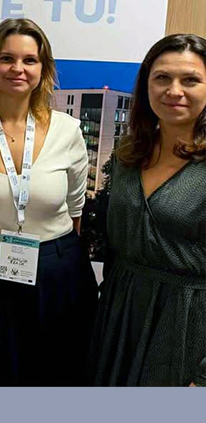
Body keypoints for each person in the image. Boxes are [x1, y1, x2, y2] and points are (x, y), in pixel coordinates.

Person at [0, 17, 96, 386]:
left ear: (44, 69)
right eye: (7, 58)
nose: (18, 69)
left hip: (59, 270)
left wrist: (50, 250)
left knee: (61, 373)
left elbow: (75, 208)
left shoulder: (67, 129)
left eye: (30, 60)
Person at [89, 34, 206, 387]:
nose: (174, 90)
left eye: (190, 80)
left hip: (187, 327)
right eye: (162, 78)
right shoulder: (128, 154)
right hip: (120, 316)